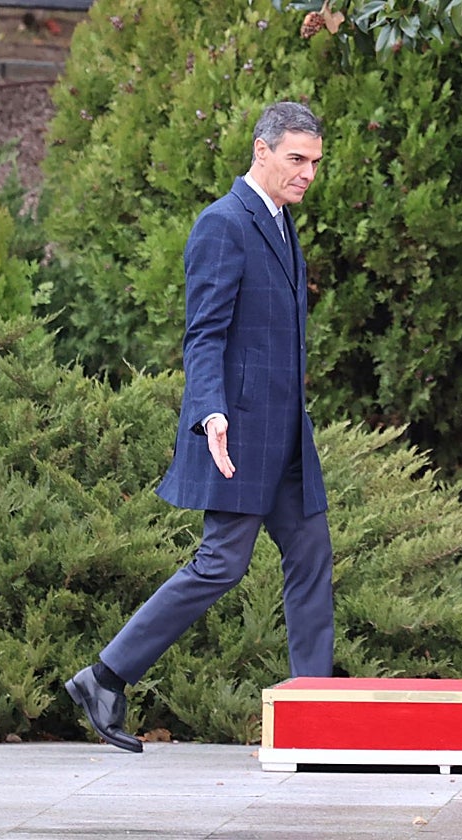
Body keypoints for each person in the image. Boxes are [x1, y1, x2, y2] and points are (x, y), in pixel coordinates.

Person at [66, 101, 334, 752]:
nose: (307, 174)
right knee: (220, 565)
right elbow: (204, 334)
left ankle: (317, 711)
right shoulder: (223, 223)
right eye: (296, 159)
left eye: (316, 163)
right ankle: (103, 677)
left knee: (311, 557)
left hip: (285, 437)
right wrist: (211, 413)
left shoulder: (280, 221)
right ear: (261, 151)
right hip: (238, 435)